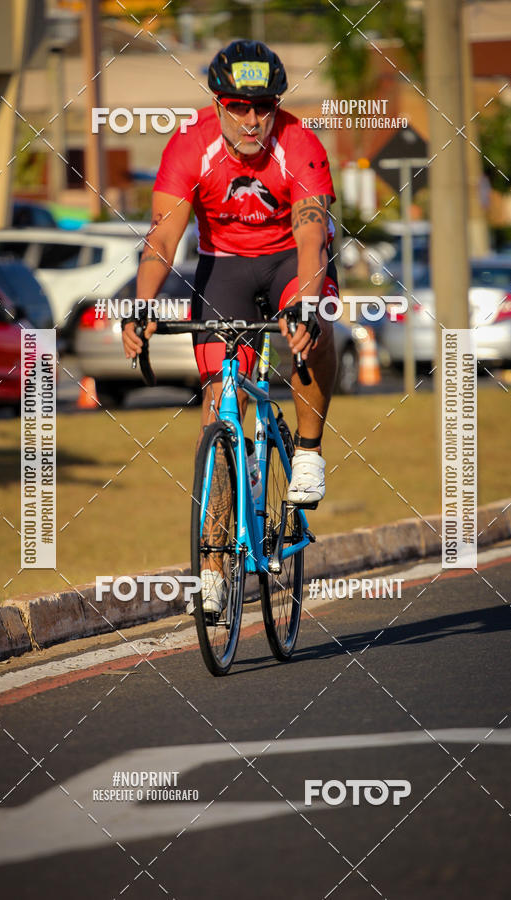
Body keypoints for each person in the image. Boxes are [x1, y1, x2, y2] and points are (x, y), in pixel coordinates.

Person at [122, 40, 339, 610]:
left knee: (315, 328)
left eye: (262, 105)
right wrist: (142, 305)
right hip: (225, 270)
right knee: (219, 411)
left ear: (275, 105)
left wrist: (308, 306)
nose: (250, 118)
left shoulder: (300, 143)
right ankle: (214, 566)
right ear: (217, 104)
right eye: (237, 105)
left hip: (292, 258)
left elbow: (313, 232)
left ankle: (310, 450)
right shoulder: (189, 145)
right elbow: (164, 236)